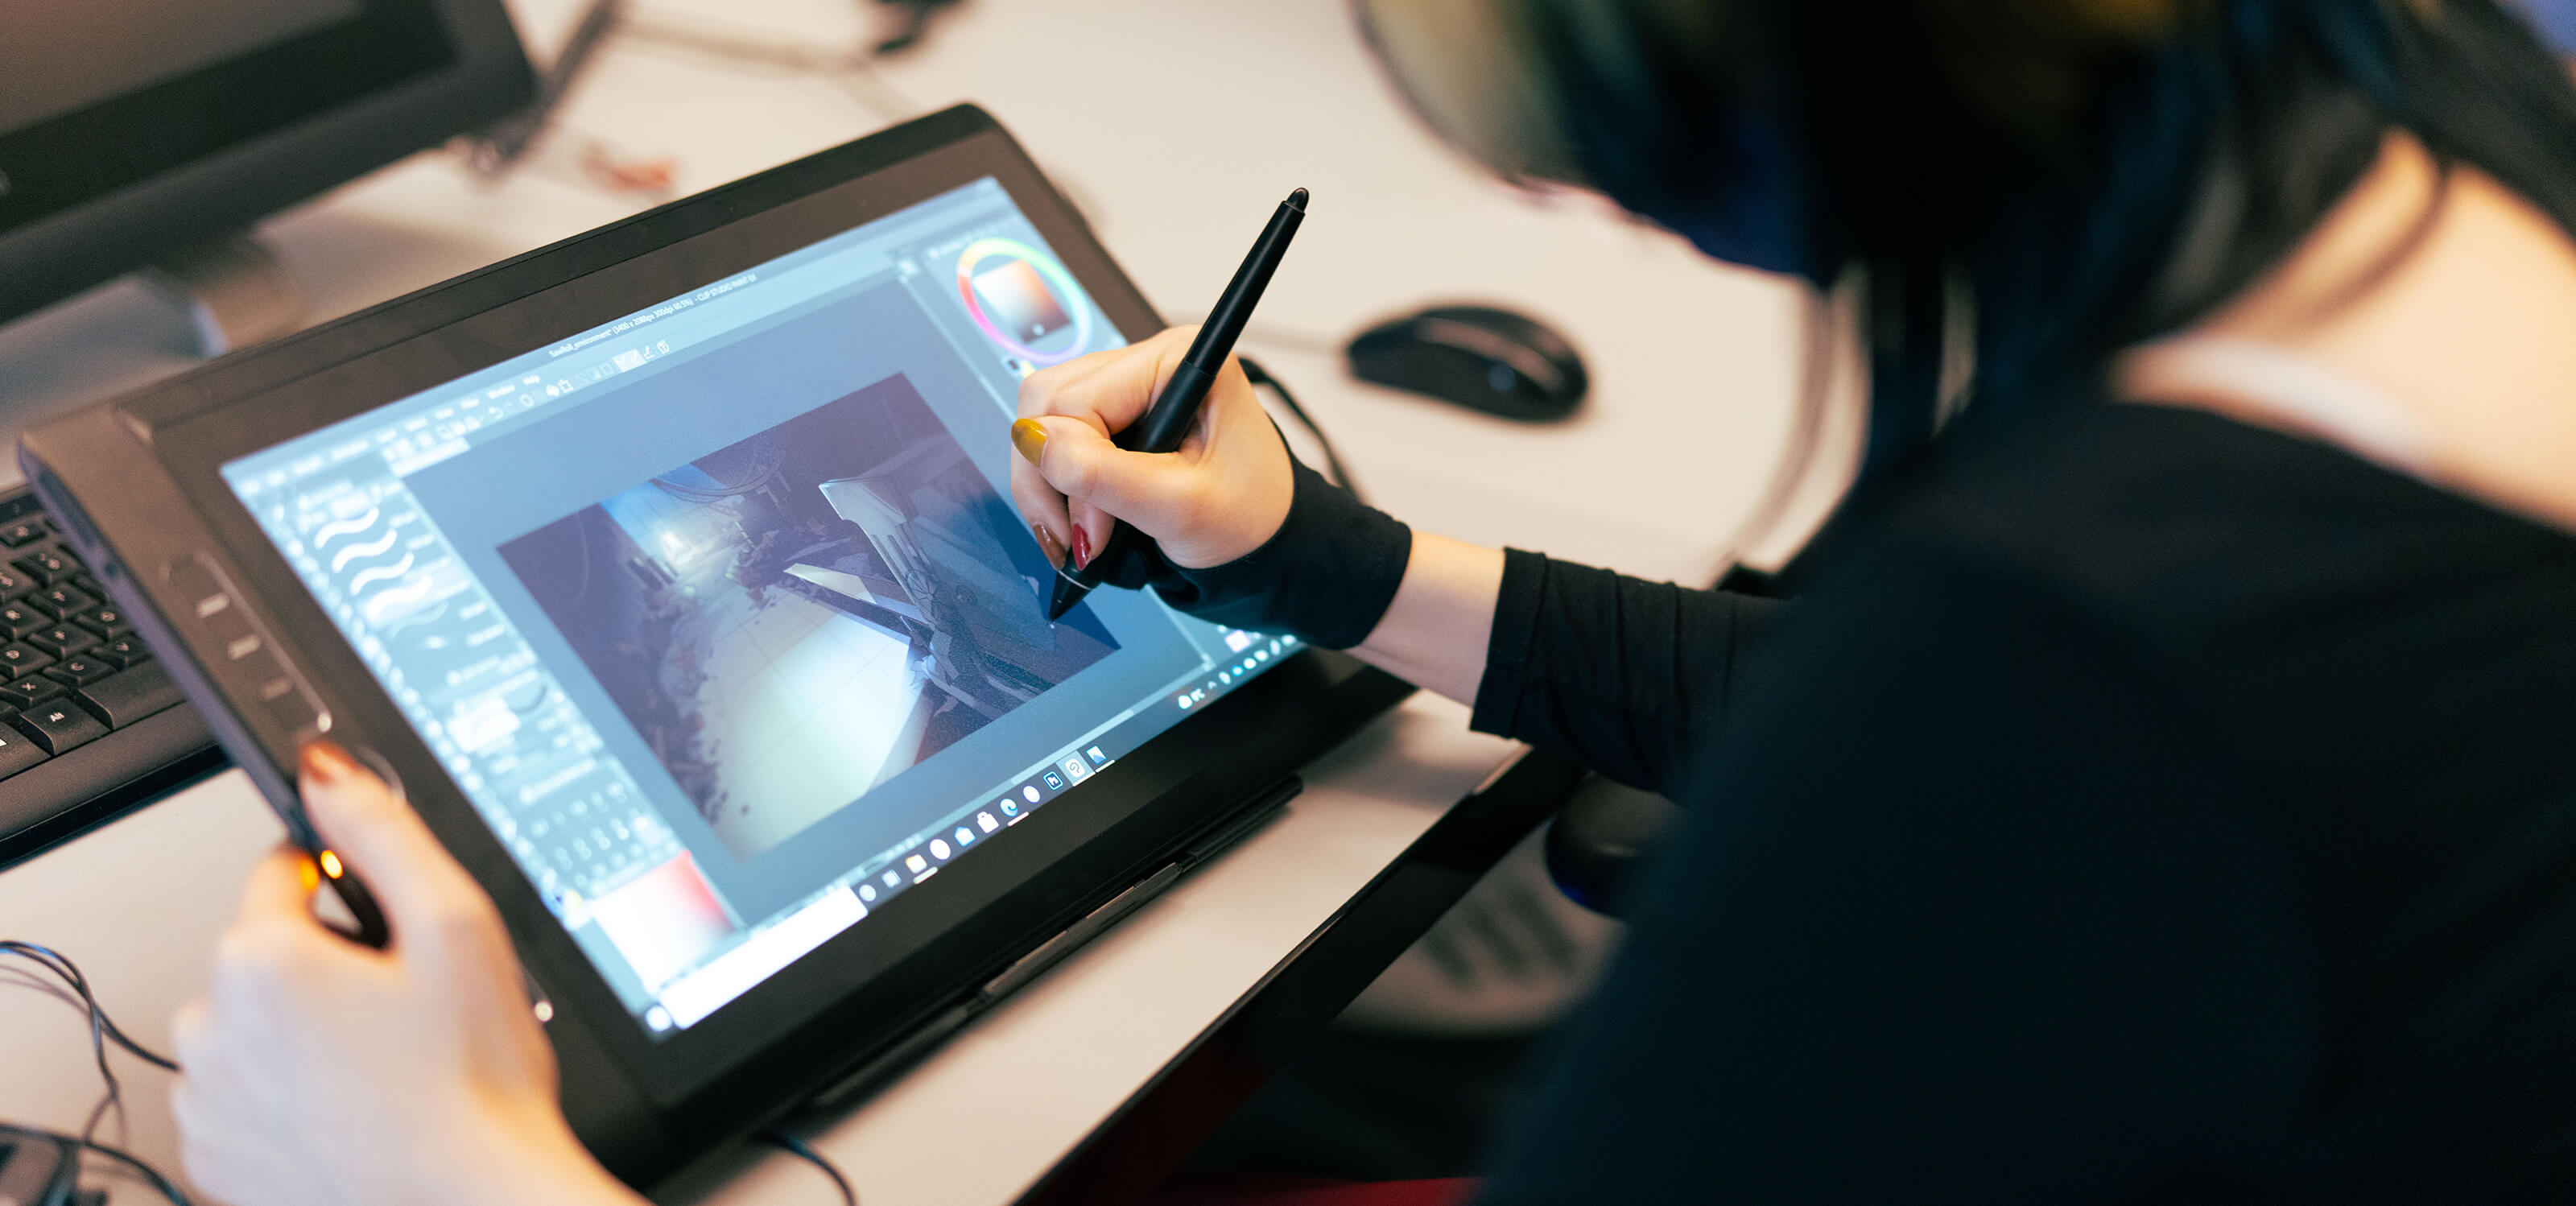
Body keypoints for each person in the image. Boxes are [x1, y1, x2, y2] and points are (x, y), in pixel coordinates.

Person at [171, 0, 2576, 1201]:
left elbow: (1984, 756)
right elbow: (1938, 761)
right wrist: (1339, 567)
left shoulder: (2067, 674)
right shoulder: (2430, 161)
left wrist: (463, 1180)